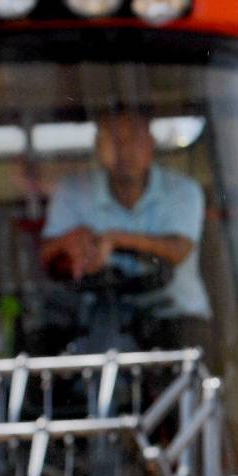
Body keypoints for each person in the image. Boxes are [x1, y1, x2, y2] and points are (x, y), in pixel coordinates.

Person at [37, 110, 209, 352]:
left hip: (175, 317)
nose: (125, 151)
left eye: (135, 139)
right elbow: (47, 255)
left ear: (151, 144)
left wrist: (113, 240)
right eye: (115, 140)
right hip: (91, 321)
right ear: (98, 146)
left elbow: (177, 250)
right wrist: (75, 245)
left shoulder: (183, 190)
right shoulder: (73, 191)